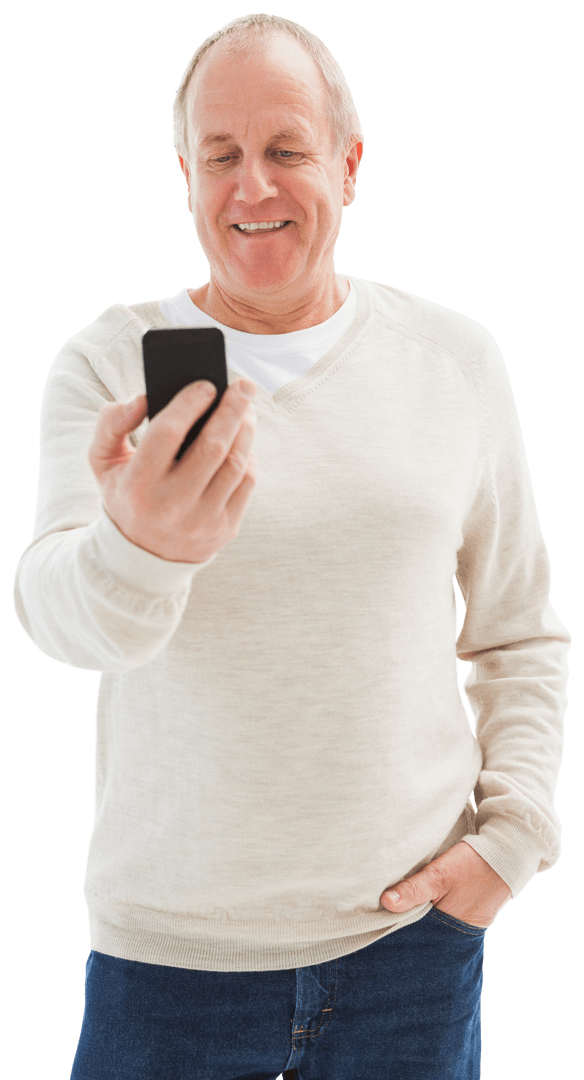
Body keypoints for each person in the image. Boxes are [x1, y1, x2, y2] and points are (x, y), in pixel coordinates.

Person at [12, 12, 571, 1080]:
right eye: (219, 157)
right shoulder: (109, 363)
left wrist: (508, 843)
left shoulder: (453, 359)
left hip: (409, 950)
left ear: (348, 164)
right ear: (183, 174)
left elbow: (515, 635)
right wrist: (140, 544)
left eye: (284, 151)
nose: (250, 189)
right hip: (165, 969)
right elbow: (54, 617)